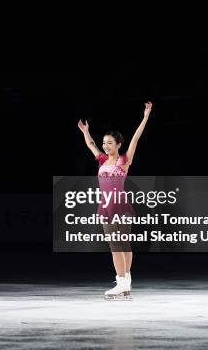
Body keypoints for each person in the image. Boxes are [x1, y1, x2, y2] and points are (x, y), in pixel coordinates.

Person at [78, 101, 153, 300]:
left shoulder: (124, 160)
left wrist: (145, 117)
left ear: (119, 144)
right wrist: (86, 131)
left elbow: (136, 138)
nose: (105, 146)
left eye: (110, 143)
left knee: (117, 245)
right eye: (104, 143)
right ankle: (126, 282)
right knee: (122, 244)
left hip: (118, 204)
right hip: (108, 204)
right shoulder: (102, 160)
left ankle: (121, 281)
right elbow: (91, 144)